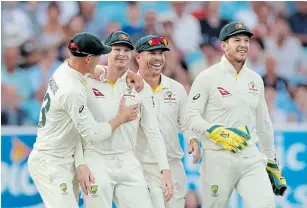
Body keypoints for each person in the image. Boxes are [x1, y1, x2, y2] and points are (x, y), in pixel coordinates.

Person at [27, 32, 144, 208]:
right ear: (88, 59)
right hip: (52, 162)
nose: (101, 60)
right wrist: (122, 117)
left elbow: (92, 70)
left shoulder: (65, 68)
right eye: (98, 56)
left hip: (63, 157)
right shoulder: (72, 90)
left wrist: (126, 73)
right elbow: (93, 134)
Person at [184, 22, 287, 208]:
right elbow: (190, 116)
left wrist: (271, 160)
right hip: (217, 157)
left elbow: (264, 124)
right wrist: (216, 131)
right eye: (236, 40)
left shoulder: (255, 79)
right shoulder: (207, 77)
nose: (243, 44)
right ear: (224, 45)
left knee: (265, 204)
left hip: (250, 156)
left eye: (246, 40)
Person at [78, 31, 173, 208]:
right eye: (117, 49)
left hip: (127, 158)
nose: (122, 54)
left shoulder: (139, 86)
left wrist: (165, 170)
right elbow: (67, 69)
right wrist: (80, 163)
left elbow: (152, 131)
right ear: (107, 52)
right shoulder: (88, 80)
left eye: (126, 50)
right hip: (96, 157)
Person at [134, 35, 200, 208]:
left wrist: (192, 139)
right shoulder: (128, 88)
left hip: (173, 165)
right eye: (152, 53)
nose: (158, 58)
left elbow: (186, 121)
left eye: (161, 54)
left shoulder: (176, 88)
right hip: (142, 166)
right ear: (138, 57)